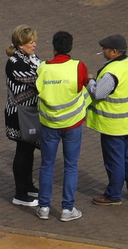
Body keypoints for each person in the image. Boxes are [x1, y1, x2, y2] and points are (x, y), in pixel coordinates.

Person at [36, 30, 87, 223]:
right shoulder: (78, 67)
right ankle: (67, 208)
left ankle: (43, 207)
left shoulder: (43, 68)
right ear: (70, 47)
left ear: (54, 48)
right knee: (71, 165)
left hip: (49, 124)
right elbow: (82, 86)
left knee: (46, 165)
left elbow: (38, 88)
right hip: (73, 124)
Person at [87, 33, 128, 206]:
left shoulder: (112, 72)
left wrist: (90, 81)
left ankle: (113, 195)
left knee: (114, 161)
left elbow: (98, 93)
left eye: (105, 49)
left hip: (113, 125)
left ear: (114, 52)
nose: (103, 52)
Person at [4, 25, 42, 208]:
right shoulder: (15, 63)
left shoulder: (31, 58)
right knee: (22, 151)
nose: (34, 45)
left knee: (29, 149)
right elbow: (38, 80)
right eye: (30, 42)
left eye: (34, 41)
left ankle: (28, 185)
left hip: (30, 113)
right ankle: (20, 193)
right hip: (19, 114)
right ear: (20, 45)